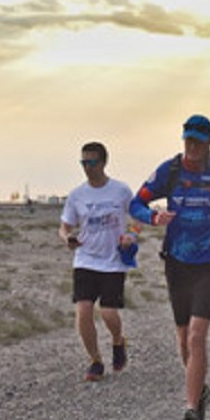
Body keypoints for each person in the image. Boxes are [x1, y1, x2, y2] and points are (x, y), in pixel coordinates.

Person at [129, 115, 210, 420]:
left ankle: (189, 414)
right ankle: (200, 392)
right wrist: (153, 216)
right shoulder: (169, 171)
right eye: (188, 139)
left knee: (197, 337)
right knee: (183, 341)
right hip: (177, 263)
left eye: (198, 140)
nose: (192, 146)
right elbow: (135, 203)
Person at [59, 142, 137, 382]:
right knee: (83, 311)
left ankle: (117, 340)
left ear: (103, 162)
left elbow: (137, 218)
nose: (87, 167)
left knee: (108, 313)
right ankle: (95, 361)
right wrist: (67, 238)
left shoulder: (121, 191)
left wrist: (131, 235)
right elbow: (65, 226)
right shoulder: (77, 195)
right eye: (84, 163)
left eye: (92, 162)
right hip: (85, 259)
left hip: (113, 261)